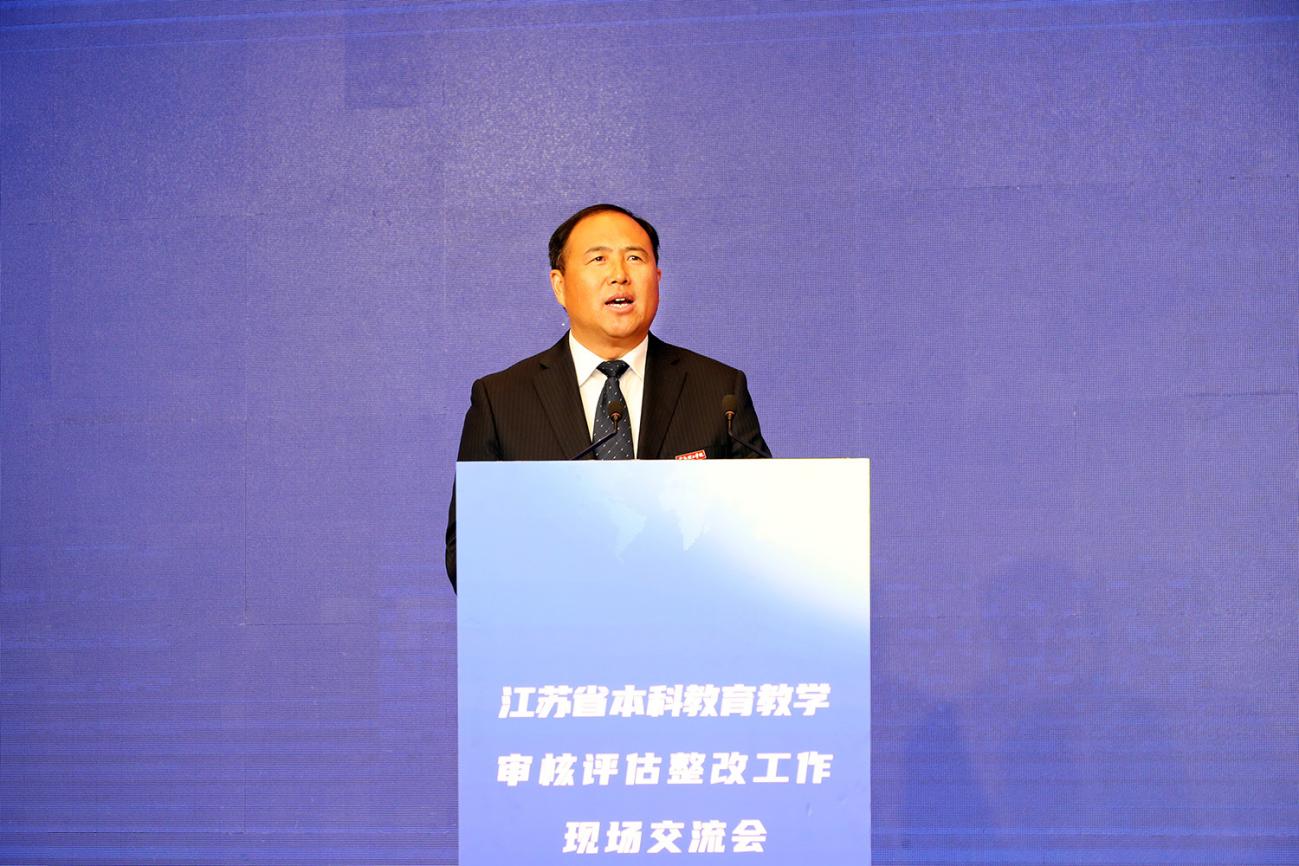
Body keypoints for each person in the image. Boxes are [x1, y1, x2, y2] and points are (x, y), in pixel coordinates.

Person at [445, 203, 768, 589]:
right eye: (598, 259)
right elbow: (467, 553)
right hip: (556, 619)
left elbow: (763, 529)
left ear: (658, 278)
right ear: (559, 285)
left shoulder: (719, 390)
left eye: (635, 258)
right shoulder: (502, 400)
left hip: (686, 615)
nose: (619, 275)